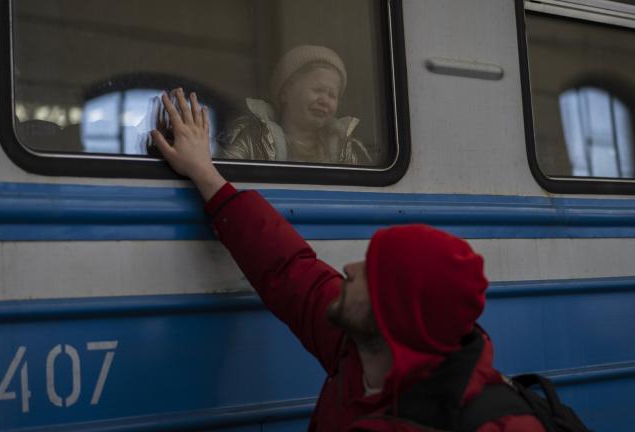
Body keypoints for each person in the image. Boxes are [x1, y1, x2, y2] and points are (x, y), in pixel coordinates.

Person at [150, 89, 545, 431]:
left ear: (396, 311)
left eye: (371, 271)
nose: (349, 270)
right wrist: (204, 172)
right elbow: (287, 266)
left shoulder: (499, 425)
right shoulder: (358, 348)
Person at [218, 45, 372, 165]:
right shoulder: (253, 138)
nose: (324, 100)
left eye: (332, 95)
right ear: (285, 93)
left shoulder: (347, 149)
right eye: (318, 90)